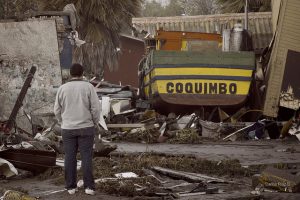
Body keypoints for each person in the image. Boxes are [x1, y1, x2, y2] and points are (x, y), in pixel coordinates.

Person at [54, 63, 100, 195]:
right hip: (86, 127)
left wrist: (62, 121)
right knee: (86, 157)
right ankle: (89, 188)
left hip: (67, 128)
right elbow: (96, 108)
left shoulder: (62, 88)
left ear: (70, 74)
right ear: (82, 73)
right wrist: (94, 122)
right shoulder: (89, 87)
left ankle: (71, 187)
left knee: (69, 157)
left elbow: (56, 110)